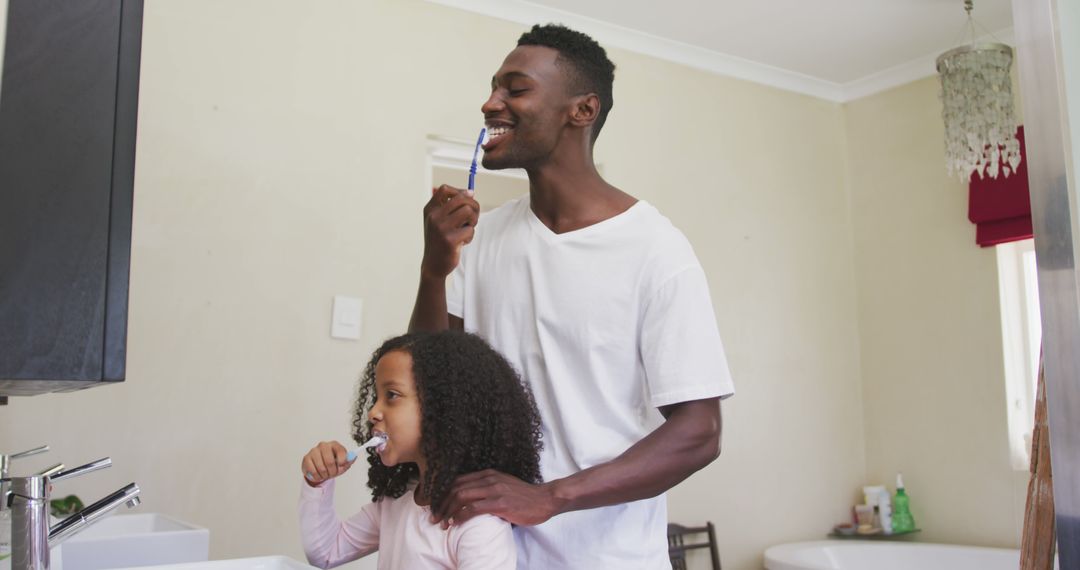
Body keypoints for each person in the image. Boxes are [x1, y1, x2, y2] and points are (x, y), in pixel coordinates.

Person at [409, 23, 736, 569]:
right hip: (488, 551)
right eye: (494, 87)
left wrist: (550, 496)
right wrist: (433, 269)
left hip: (608, 557)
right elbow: (428, 382)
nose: (490, 103)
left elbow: (699, 433)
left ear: (581, 111)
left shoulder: (656, 250)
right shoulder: (484, 236)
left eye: (515, 88)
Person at [298, 331, 544, 569]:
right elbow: (326, 553)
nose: (373, 412)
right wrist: (317, 481)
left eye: (391, 395)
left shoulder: (478, 525)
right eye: (377, 397)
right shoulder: (396, 503)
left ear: (444, 412)